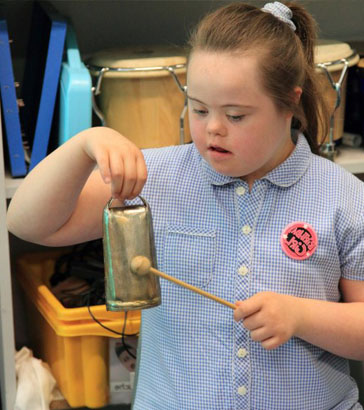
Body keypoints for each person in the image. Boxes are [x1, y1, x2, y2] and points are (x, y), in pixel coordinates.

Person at [7, 1, 364, 409]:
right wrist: (84, 146)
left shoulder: (342, 196)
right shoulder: (155, 179)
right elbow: (27, 223)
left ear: (289, 103)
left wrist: (302, 317)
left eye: (236, 115)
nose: (213, 127)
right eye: (198, 109)